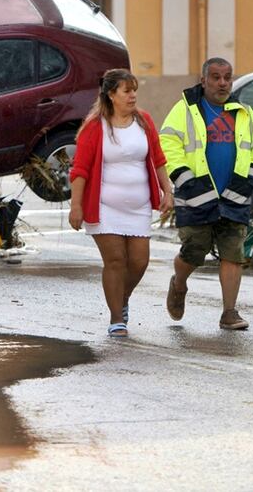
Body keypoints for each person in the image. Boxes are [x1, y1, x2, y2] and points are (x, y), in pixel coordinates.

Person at [160, 57, 253, 330]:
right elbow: (168, 143)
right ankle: (179, 283)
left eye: (227, 77)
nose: (222, 83)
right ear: (204, 80)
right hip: (196, 195)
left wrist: (252, 176)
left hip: (234, 195)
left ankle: (229, 312)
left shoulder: (243, 112)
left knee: (233, 253)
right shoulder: (185, 110)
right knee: (194, 251)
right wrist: (185, 179)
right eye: (216, 77)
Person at [69, 69, 174, 338]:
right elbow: (79, 170)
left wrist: (167, 191)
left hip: (138, 208)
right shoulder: (95, 127)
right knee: (116, 261)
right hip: (105, 207)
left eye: (134, 90)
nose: (133, 95)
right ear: (111, 95)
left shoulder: (145, 121)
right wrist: (76, 206)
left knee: (139, 261)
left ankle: (121, 297)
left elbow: (159, 160)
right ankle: (117, 318)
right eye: (127, 91)